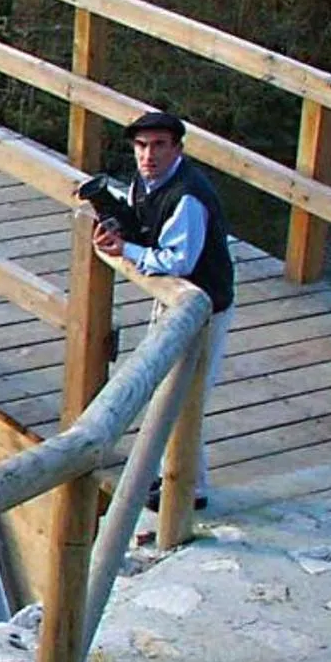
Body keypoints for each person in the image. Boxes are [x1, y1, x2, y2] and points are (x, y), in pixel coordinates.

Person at [89, 108, 235, 510]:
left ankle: (190, 490)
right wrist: (116, 228)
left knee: (186, 397)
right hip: (175, 301)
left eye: (158, 146)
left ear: (177, 150)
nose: (147, 155)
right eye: (140, 146)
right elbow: (143, 224)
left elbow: (179, 260)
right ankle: (170, 478)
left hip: (203, 307)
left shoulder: (188, 196)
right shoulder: (147, 183)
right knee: (168, 392)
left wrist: (129, 251)